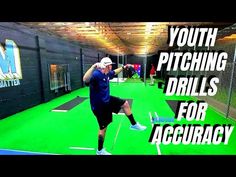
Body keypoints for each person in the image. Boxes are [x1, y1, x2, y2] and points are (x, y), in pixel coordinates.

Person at [83, 57, 146, 155]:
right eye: (110, 65)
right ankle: (100, 150)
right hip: (99, 107)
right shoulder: (96, 75)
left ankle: (134, 125)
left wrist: (124, 67)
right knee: (103, 128)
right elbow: (85, 79)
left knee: (125, 103)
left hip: (107, 100)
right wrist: (93, 67)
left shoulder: (107, 73)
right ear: (107, 66)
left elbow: (114, 72)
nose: (112, 66)